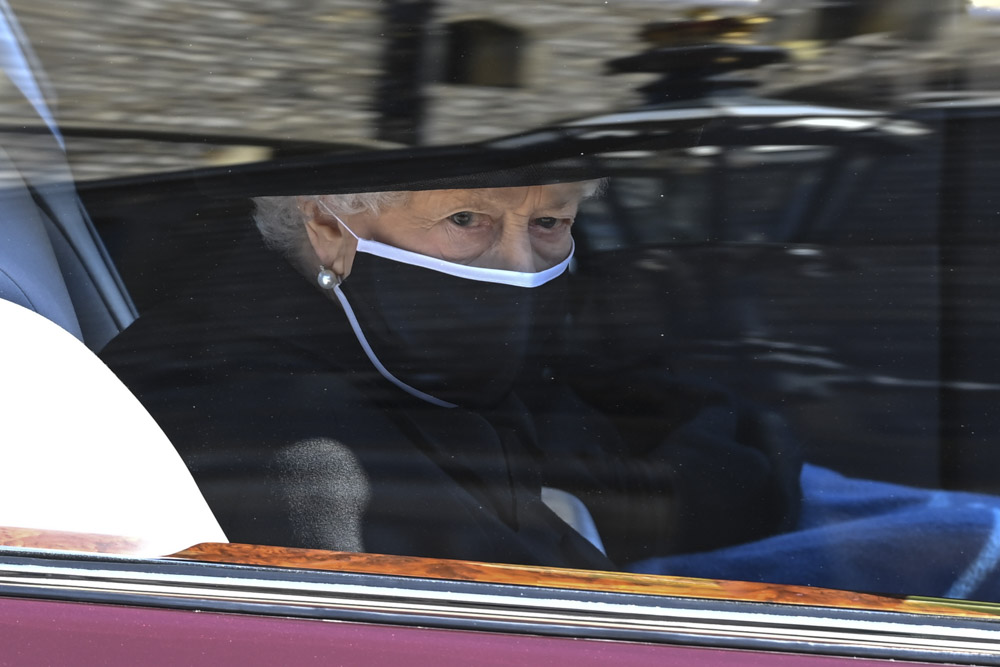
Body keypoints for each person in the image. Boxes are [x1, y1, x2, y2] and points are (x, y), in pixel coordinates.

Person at [99, 178, 802, 570]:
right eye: (467, 218)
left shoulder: (408, 339)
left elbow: (740, 440)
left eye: (551, 221)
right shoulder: (258, 426)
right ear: (326, 224)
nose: (520, 265)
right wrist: (591, 514)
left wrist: (583, 512)